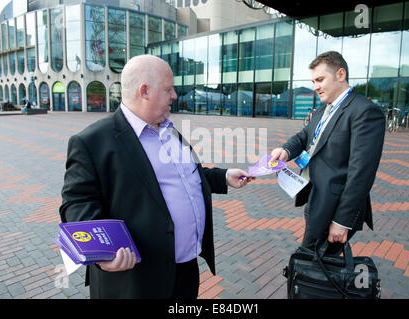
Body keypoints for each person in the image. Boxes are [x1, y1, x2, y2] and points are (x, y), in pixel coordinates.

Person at [59, 54, 253, 299]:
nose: (174, 96)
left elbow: (186, 174)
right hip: (135, 281)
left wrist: (223, 176)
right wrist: (102, 254)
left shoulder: (169, 130)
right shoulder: (92, 142)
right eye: (168, 89)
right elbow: (76, 204)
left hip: (184, 268)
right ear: (145, 91)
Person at [270, 51, 385, 255]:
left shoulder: (365, 112)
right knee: (313, 267)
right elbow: (304, 136)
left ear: (340, 75)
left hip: (335, 207)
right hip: (316, 196)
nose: (315, 87)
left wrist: (343, 220)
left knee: (311, 268)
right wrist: (286, 150)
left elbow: (361, 172)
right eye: (313, 81)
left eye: (320, 79)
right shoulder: (322, 110)